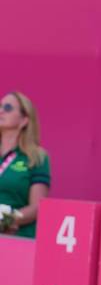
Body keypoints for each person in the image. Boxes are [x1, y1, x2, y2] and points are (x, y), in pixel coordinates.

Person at [0, 92, 50, 238]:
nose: (1, 110)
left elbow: (37, 207)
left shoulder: (36, 157)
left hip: (15, 239)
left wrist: (6, 221)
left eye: (8, 107)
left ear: (24, 120)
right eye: (0, 106)